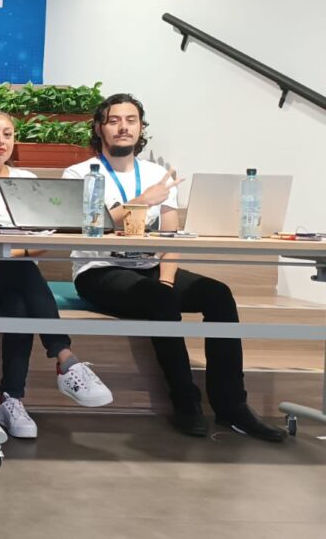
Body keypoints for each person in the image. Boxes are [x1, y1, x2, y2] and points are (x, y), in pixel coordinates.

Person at [63, 93, 285, 441]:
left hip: (151, 268)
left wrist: (167, 280)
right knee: (158, 298)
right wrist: (142, 201)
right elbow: (85, 226)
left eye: (131, 120)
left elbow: (170, 236)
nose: (123, 127)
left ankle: (232, 406)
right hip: (99, 270)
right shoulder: (80, 173)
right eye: (114, 120)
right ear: (99, 128)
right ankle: (186, 403)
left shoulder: (157, 175)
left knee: (218, 295)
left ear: (141, 127)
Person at [0, 111, 113, 439]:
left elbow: (42, 242)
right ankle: (65, 358)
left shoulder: (26, 178)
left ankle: (11, 400)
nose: (0, 141)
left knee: (19, 304)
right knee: (21, 274)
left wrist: (9, 254)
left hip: (16, 274)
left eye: (7, 134)